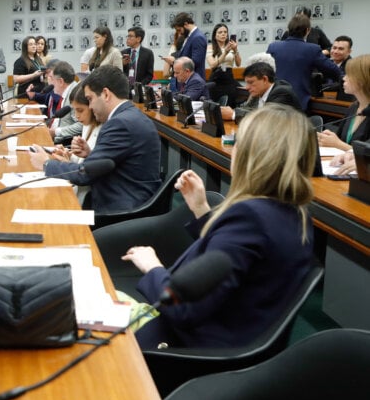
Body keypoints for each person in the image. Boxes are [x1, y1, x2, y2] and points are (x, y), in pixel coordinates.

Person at [123, 104, 316, 349]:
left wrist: (152, 267)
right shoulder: (297, 216)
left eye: (237, 143)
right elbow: (240, 265)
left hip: (187, 347)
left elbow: (182, 309)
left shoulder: (250, 217)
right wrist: (201, 209)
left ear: (250, 155)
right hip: (238, 335)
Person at [29, 65, 161, 212]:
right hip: (123, 198)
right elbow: (119, 164)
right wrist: (91, 154)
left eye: (90, 99)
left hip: (121, 210)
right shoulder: (128, 115)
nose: (90, 107)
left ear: (105, 94)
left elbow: (85, 174)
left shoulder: (120, 123)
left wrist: (46, 164)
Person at [267, 13, 342, 110]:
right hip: (298, 102)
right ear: (307, 30)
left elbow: (265, 70)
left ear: (288, 29)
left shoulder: (273, 47)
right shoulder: (312, 49)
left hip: (273, 100)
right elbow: (333, 71)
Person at [45, 82, 101, 206]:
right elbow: (82, 159)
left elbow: (88, 172)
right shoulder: (87, 125)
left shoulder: (103, 129)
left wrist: (66, 162)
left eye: (80, 110)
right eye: (74, 110)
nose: (76, 115)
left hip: (88, 197)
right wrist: (68, 154)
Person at [318, 54, 370, 151]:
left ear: (362, 79)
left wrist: (338, 144)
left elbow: (367, 155)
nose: (343, 78)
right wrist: (327, 138)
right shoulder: (354, 107)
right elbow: (340, 139)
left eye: (348, 75)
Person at [235, 61, 302, 113]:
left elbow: (266, 117)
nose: (247, 87)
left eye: (251, 82)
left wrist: (233, 115)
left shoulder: (282, 92)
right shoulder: (259, 92)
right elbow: (246, 110)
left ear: (265, 79)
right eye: (247, 83)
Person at [164, 13, 208, 79]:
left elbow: (195, 62)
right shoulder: (190, 37)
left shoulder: (197, 37)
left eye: (179, 30)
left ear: (186, 24)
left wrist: (175, 61)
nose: (179, 33)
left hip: (194, 81)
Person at [207, 24, 241, 107]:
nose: (223, 34)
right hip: (217, 78)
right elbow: (212, 65)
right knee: (218, 105)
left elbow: (238, 63)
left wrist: (235, 49)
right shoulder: (210, 47)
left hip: (228, 77)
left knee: (232, 101)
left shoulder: (231, 46)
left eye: (225, 32)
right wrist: (225, 52)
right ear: (215, 35)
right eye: (220, 32)